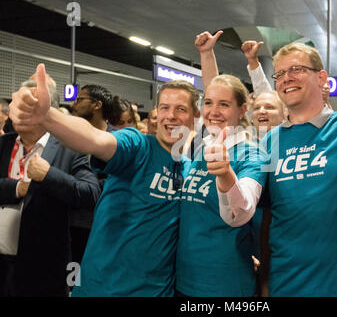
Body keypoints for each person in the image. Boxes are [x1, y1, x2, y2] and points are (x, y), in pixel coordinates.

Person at [9, 64, 200, 296]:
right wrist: (48, 117)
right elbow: (96, 139)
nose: (170, 115)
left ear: (195, 116)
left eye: (180, 109)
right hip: (103, 288)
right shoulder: (138, 145)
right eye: (164, 107)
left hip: (158, 290)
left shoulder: (191, 169)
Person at [233, 41, 337, 296]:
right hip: (285, 282)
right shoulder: (268, 142)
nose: (287, 78)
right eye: (280, 73)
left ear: (322, 78)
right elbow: (262, 217)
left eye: (296, 69)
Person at [175, 33, 267, 297]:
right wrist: (206, 54)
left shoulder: (251, 154)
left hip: (225, 284)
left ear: (242, 109)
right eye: (208, 103)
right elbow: (213, 88)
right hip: (184, 279)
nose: (213, 111)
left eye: (224, 104)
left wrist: (226, 176)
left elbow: (241, 212)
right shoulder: (205, 147)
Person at [0, 76, 100, 296]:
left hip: (43, 269)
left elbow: (90, 194)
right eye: (19, 105)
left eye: (31, 106)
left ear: (49, 112)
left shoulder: (70, 149)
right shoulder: (3, 144)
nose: (22, 111)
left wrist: (49, 175)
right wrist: (17, 188)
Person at [70, 84, 117, 268]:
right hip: (71, 223)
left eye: (80, 99)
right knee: (72, 277)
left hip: (101, 225)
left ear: (96, 105)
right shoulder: (70, 137)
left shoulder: (117, 141)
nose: (74, 104)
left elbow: (115, 182)